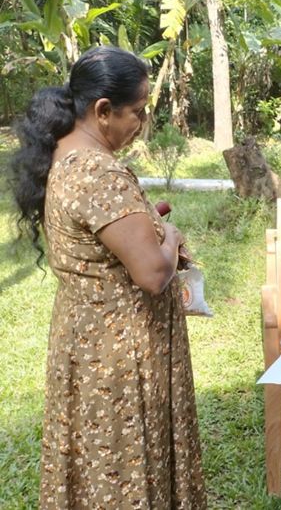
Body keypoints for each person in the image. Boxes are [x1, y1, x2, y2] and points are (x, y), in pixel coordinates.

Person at [10, 46, 206, 509]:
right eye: (137, 111)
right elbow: (153, 273)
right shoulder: (98, 172)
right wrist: (170, 236)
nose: (142, 122)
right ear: (102, 110)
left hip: (87, 341)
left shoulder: (64, 152)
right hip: (121, 353)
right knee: (125, 463)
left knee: (98, 464)